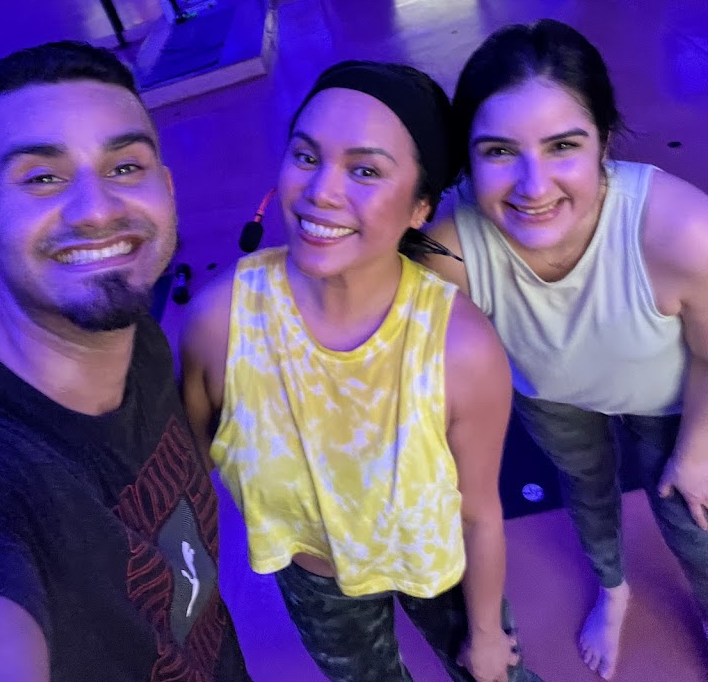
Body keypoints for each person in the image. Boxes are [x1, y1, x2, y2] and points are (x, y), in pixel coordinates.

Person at [180, 60, 545, 682]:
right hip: (317, 582)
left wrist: (486, 634)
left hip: (437, 565)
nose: (321, 191)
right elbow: (184, 477)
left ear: (420, 206)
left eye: (366, 170)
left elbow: (479, 512)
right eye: (305, 157)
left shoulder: (459, 348)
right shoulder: (223, 324)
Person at [0, 41, 252, 682]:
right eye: (43, 178)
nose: (98, 210)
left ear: (167, 190)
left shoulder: (138, 335)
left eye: (125, 167)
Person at [425, 20, 708, 680]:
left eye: (563, 146)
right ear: (468, 159)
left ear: (604, 141)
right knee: (586, 490)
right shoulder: (449, 247)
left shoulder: (681, 230)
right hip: (551, 394)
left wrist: (697, 450)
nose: (533, 186)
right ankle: (614, 592)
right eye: (499, 151)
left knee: (693, 520)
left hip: (674, 399)